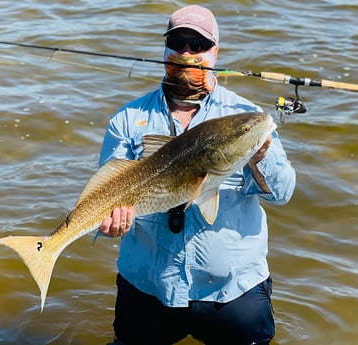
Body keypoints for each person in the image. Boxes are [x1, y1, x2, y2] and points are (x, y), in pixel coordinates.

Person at [99, 5, 296, 345]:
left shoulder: (245, 118)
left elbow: (282, 193)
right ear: (166, 50)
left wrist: (259, 157)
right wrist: (110, 223)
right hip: (150, 285)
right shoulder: (128, 120)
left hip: (233, 290)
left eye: (199, 44)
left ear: (215, 51)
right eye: (179, 42)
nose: (188, 53)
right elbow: (108, 188)